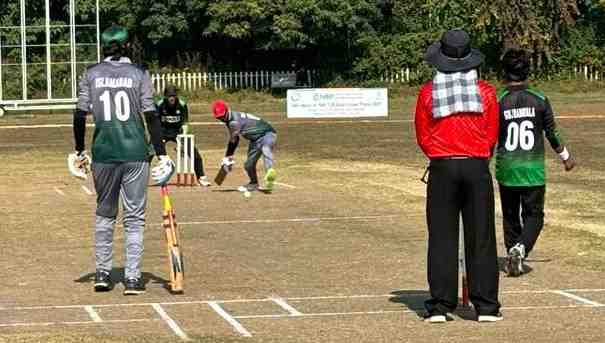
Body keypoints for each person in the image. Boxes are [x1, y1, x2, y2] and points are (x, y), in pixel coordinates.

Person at [69, 25, 174, 295]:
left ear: (104, 47)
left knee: (105, 214)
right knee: (135, 218)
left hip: (103, 153)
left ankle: (102, 273)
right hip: (136, 153)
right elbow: (151, 115)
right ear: (127, 46)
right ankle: (131, 277)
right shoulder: (139, 73)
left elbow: (79, 115)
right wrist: (162, 153)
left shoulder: (91, 73)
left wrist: (79, 150)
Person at [415, 28, 502, 322]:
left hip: (442, 166)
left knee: (442, 237)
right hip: (476, 167)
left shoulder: (428, 92)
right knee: (482, 236)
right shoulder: (486, 92)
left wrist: (441, 155)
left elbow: (422, 135)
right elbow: (492, 134)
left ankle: (440, 306)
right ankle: (486, 306)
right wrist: (476, 155)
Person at [496, 49, 576, 277]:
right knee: (534, 215)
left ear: (505, 73)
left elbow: (490, 135)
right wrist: (566, 157)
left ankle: (514, 251)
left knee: (510, 215)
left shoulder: (498, 100)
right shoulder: (540, 99)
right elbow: (552, 132)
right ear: (527, 72)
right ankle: (521, 249)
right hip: (532, 170)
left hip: (507, 168)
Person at [211, 100, 277, 192]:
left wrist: (228, 156)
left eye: (222, 116)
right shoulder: (229, 119)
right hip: (254, 140)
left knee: (266, 149)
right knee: (248, 165)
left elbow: (234, 140)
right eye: (219, 118)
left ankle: (270, 175)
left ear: (227, 111)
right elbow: (235, 139)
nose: (221, 119)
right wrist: (228, 156)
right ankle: (253, 183)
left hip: (267, 133)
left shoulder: (234, 122)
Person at [156, 85, 211, 186]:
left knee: (195, 154)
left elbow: (185, 122)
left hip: (178, 132)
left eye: (173, 96)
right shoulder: (159, 104)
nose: (171, 98)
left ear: (176, 96)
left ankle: (201, 177)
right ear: (165, 97)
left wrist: (183, 138)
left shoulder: (182, 104)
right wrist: (159, 138)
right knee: (148, 153)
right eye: (169, 96)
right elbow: (155, 123)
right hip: (162, 131)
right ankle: (140, 179)